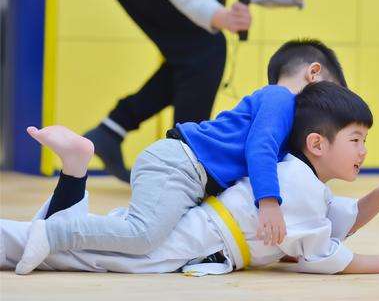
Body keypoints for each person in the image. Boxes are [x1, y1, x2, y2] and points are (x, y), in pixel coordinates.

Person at [3, 82, 379, 275]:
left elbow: (338, 220)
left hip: (196, 229)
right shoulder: (291, 183)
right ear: (316, 143)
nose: (363, 151)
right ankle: (46, 228)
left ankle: (73, 177)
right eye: (356, 139)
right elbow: (325, 257)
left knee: (105, 242)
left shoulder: (302, 182)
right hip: (192, 238)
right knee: (97, 251)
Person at [13, 40, 349, 275]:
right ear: (313, 73)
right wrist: (269, 203)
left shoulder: (278, 106)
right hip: (181, 164)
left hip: (186, 170)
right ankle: (54, 234)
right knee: (142, 235)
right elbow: (259, 148)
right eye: (328, 93)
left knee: (142, 234)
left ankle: (74, 173)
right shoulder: (281, 99)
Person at [82, 0, 263, 183]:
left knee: (195, 52)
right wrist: (222, 17)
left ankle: (113, 130)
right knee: (204, 48)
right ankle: (181, 165)